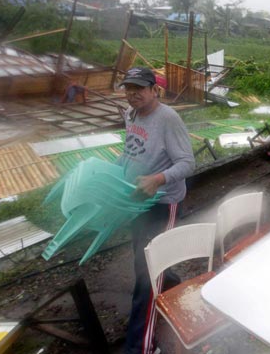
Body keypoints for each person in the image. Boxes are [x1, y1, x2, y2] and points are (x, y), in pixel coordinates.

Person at [117, 67, 195, 354]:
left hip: (163, 202)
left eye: (139, 88)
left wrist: (158, 179)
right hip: (138, 199)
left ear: (154, 90)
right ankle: (172, 283)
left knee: (147, 275)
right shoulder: (131, 114)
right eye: (128, 87)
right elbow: (131, 149)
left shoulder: (168, 119)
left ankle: (142, 347)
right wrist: (116, 169)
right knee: (145, 256)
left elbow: (188, 163)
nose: (132, 93)